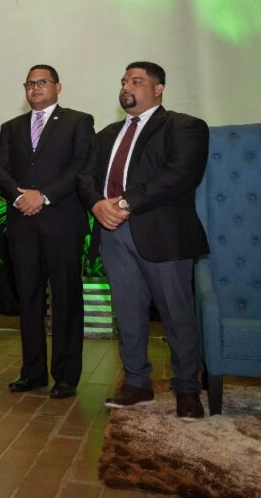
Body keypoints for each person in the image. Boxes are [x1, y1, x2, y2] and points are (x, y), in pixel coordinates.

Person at [79, 61, 209, 420]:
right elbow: (85, 177)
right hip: (112, 235)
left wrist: (123, 203)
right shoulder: (105, 134)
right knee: (129, 314)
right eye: (123, 81)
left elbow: (180, 174)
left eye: (136, 81)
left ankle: (187, 390)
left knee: (177, 314)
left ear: (158, 88)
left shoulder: (185, 127)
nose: (126, 87)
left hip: (162, 234)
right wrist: (96, 204)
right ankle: (137, 384)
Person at [0, 65, 94, 399]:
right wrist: (21, 197)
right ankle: (32, 372)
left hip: (61, 223)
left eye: (42, 82)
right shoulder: (11, 127)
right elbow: (0, 169)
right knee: (30, 301)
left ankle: (66, 376)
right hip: (23, 224)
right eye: (30, 83)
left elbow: (81, 167)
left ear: (58, 87)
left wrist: (44, 195)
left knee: (65, 299)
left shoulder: (79, 121)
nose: (35, 88)